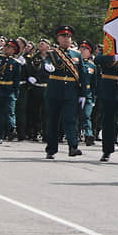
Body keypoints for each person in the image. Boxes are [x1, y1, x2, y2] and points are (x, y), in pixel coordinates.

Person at [43, 25, 86, 159]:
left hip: (71, 92)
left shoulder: (77, 54)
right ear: (58, 38)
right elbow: (48, 62)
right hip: (55, 91)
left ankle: (73, 146)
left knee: (70, 120)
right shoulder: (52, 53)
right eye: (63, 36)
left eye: (68, 36)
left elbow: (83, 74)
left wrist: (83, 93)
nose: (66, 39)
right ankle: (51, 149)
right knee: (53, 121)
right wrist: (47, 65)